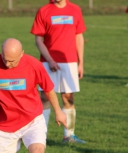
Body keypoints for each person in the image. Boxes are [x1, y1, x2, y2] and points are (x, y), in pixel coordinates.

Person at [30, 0, 86, 143]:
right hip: (48, 62)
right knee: (45, 98)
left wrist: (81, 63)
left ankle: (69, 135)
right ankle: (41, 135)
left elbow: (79, 37)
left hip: (70, 62)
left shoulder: (75, 9)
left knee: (68, 97)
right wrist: (49, 60)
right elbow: (38, 40)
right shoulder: (44, 11)